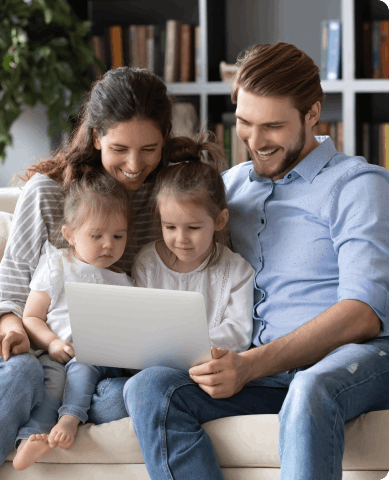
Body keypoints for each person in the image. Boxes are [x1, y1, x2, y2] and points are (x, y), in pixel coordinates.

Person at [123, 42, 389, 480]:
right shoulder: (229, 188)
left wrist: (250, 365)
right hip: (261, 372)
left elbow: (363, 314)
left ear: (312, 114)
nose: (256, 141)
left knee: (310, 386)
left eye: (273, 126)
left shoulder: (357, 185)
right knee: (150, 387)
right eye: (245, 123)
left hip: (351, 360)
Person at [0, 66, 173, 480]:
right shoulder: (51, 194)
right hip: (42, 354)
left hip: (112, 370)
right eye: (119, 148)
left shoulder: (168, 199)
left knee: (133, 395)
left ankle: (58, 418)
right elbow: (9, 297)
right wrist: (16, 331)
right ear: (96, 137)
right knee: (21, 374)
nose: (134, 165)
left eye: (150, 149)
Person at [13, 173, 134, 471]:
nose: (109, 245)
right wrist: (52, 342)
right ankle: (32, 438)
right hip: (57, 353)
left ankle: (70, 418)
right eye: (97, 236)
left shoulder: (124, 280)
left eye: (118, 236)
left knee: (83, 368)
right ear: (70, 234)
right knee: (51, 384)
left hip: (101, 358)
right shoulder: (57, 265)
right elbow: (31, 316)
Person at [132, 134, 254, 353]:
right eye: (170, 227)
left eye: (193, 228)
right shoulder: (147, 263)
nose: (181, 239)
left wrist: (180, 346)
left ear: (220, 220)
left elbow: (238, 335)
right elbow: (138, 326)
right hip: (154, 365)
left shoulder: (237, 271)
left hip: (209, 371)